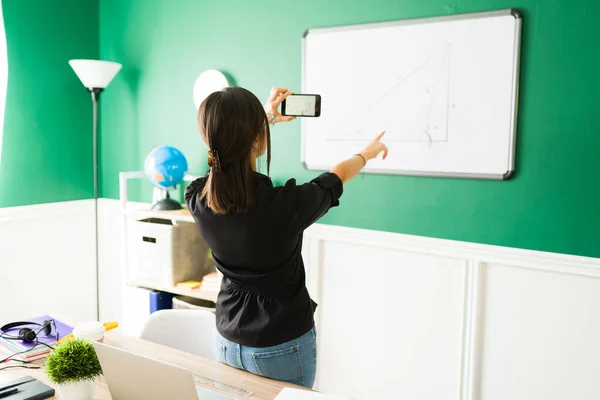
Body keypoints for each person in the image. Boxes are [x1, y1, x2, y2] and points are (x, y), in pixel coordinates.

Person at [184, 86, 387, 388]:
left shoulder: (197, 199)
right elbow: (338, 175)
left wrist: (264, 120)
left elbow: (219, 166)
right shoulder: (286, 206)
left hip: (227, 339)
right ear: (257, 139)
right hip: (280, 345)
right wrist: (366, 153)